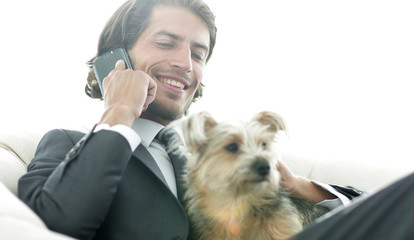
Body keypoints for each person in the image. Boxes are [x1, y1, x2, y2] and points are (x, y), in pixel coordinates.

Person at [18, 0, 412, 239]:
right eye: (166, 42)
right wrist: (119, 113)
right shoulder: (67, 143)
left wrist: (298, 186)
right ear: (115, 55)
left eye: (198, 53)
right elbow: (58, 225)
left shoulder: (218, 152)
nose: (184, 63)